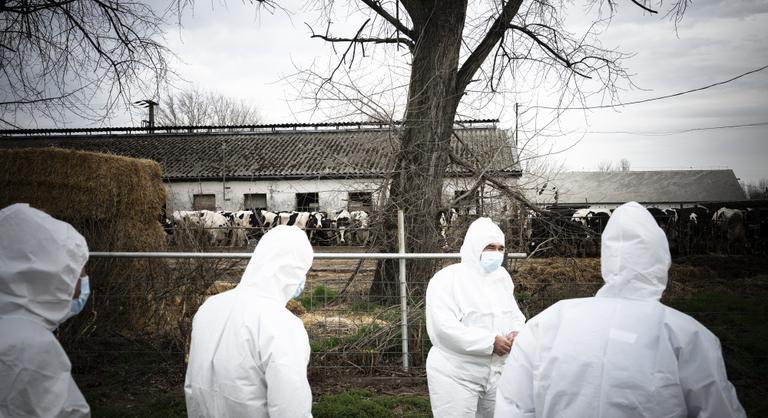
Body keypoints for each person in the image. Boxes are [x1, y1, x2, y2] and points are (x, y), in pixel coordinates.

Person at [494, 201, 746, 418]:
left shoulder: (549, 322)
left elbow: (513, 405)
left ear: (607, 257)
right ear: (661, 260)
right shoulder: (687, 336)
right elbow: (718, 409)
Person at [184, 225, 314, 417]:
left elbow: (195, 384)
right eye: (303, 272)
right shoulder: (282, 324)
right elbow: (290, 406)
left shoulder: (210, 307)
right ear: (292, 272)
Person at [426, 217, 526, 417]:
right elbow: (443, 328)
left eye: (500, 248)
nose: (496, 253)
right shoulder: (448, 279)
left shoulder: (502, 278)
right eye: (490, 247)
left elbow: (514, 314)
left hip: (496, 372)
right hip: (456, 373)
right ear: (474, 246)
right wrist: (489, 342)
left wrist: (517, 333)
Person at [0, 203, 91, 417]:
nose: (84, 278)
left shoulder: (11, 329)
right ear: (52, 272)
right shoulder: (27, 346)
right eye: (80, 269)